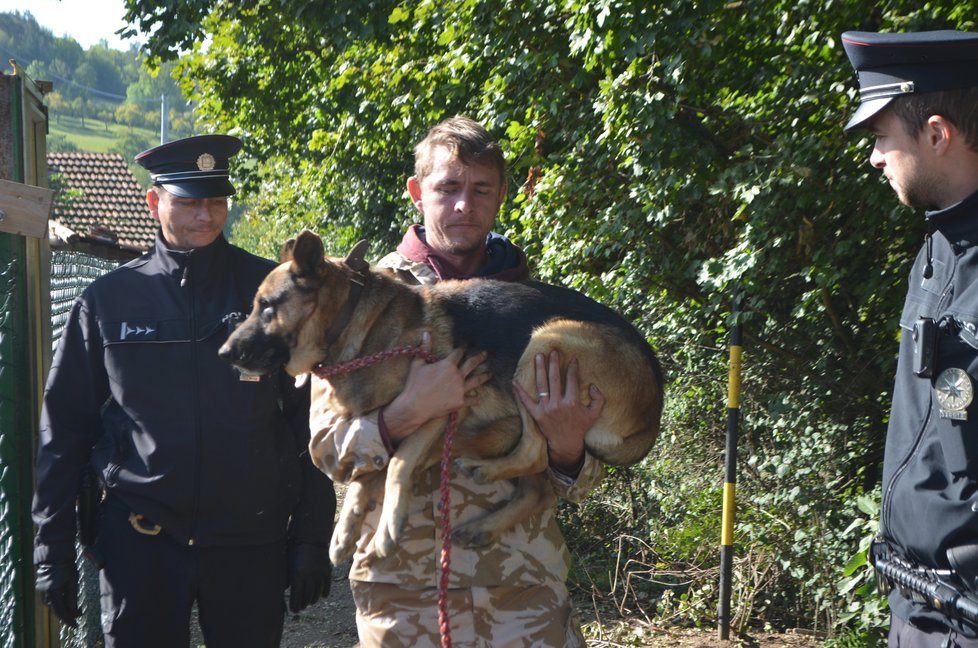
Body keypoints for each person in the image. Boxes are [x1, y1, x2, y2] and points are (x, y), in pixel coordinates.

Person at [308, 116, 607, 647]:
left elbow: (584, 484)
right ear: (417, 192)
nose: (464, 204)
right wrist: (408, 412)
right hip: (402, 597)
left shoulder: (543, 317)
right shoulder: (358, 302)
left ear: (501, 196)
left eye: (480, 189)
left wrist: (566, 447)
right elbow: (330, 453)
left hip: (521, 593)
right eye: (447, 188)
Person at [32, 134, 337, 647]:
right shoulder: (108, 301)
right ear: (155, 203)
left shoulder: (269, 292)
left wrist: (311, 536)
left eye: (216, 201)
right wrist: (51, 552)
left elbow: (309, 419)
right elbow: (63, 431)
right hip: (142, 544)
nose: (206, 216)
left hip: (250, 542)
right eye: (190, 202)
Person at [842, 30, 978, 647]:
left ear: (937, 132)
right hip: (916, 612)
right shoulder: (937, 253)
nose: (873, 157)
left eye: (880, 137)